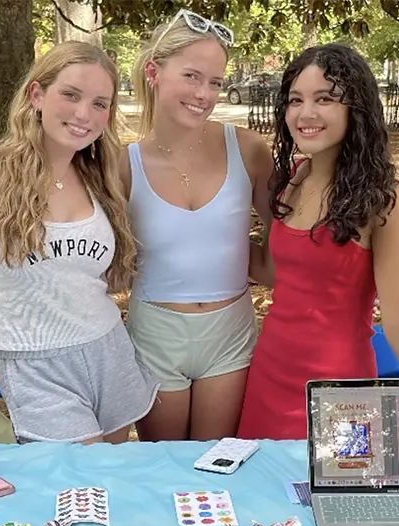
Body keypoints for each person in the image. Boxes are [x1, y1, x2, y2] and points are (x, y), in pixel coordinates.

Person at [0, 42, 159, 465]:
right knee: (84, 476)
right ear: (37, 95)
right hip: (34, 367)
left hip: (109, 353)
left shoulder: (99, 173)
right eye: (71, 95)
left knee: (105, 487)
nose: (83, 114)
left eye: (100, 104)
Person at [239, 43, 399, 441]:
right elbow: (278, 274)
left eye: (325, 99)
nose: (305, 113)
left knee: (334, 501)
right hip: (268, 376)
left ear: (356, 108)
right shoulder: (290, 181)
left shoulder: (384, 201)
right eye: (296, 100)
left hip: (339, 392)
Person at [119, 10, 273, 442]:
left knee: (216, 461)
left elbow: (280, 252)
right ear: (154, 72)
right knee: (166, 465)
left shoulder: (248, 149)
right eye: (192, 76)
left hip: (229, 332)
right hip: (156, 332)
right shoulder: (123, 163)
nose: (204, 94)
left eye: (216, 82)